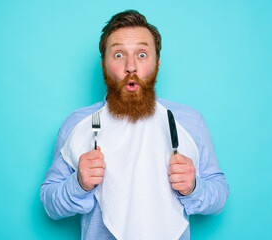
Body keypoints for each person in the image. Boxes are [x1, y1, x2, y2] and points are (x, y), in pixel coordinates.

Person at [40, 10, 229, 240]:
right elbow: (50, 203)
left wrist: (193, 187)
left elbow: (219, 195)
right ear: (103, 64)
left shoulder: (189, 121)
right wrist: (78, 184)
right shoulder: (79, 125)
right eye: (119, 55)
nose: (131, 66)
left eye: (141, 54)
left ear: (157, 63)